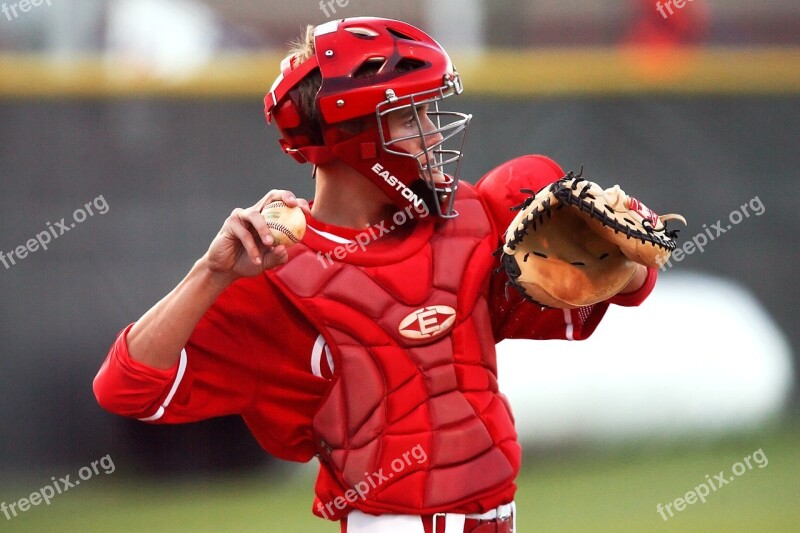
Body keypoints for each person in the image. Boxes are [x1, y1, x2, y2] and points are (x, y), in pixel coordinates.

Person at [93, 17, 655, 533]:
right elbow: (125, 388)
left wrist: (626, 258)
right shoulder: (274, 269)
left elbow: (594, 303)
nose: (434, 135)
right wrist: (209, 274)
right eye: (412, 116)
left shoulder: (471, 220)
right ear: (354, 138)